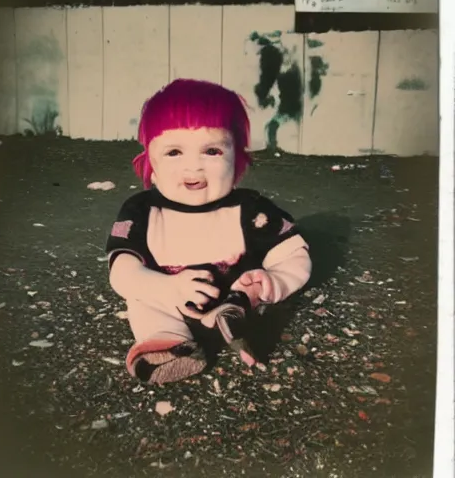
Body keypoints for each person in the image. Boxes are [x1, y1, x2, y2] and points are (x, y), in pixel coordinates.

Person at [105, 78, 312, 385]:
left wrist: (275, 280)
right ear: (151, 162)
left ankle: (241, 324)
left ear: (238, 160)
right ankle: (168, 343)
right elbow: (122, 271)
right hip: (169, 298)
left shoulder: (251, 209)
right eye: (174, 152)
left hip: (239, 298)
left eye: (211, 151)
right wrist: (165, 288)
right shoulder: (141, 211)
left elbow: (295, 253)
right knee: (142, 300)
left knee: (267, 292)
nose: (194, 167)